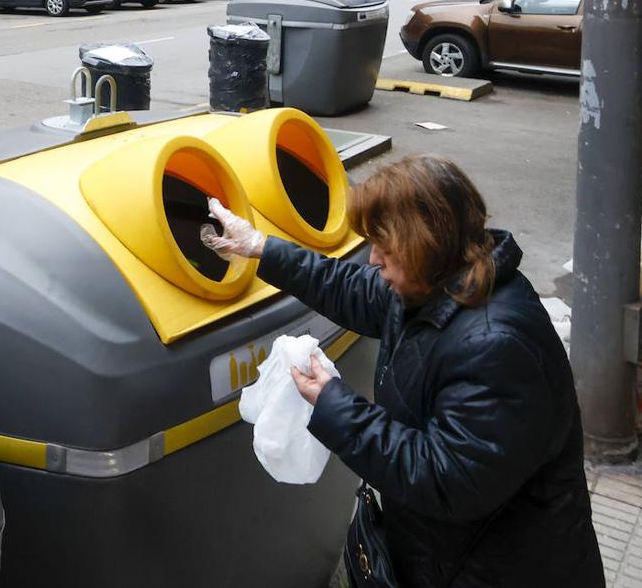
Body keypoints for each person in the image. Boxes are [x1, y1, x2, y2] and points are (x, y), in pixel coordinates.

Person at [201, 155, 603, 588]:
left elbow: (446, 478)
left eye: (385, 248)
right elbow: (347, 286)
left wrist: (333, 402)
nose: (374, 260)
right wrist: (260, 246)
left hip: (503, 570)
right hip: (448, 557)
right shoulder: (438, 284)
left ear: (424, 244)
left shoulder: (496, 345)